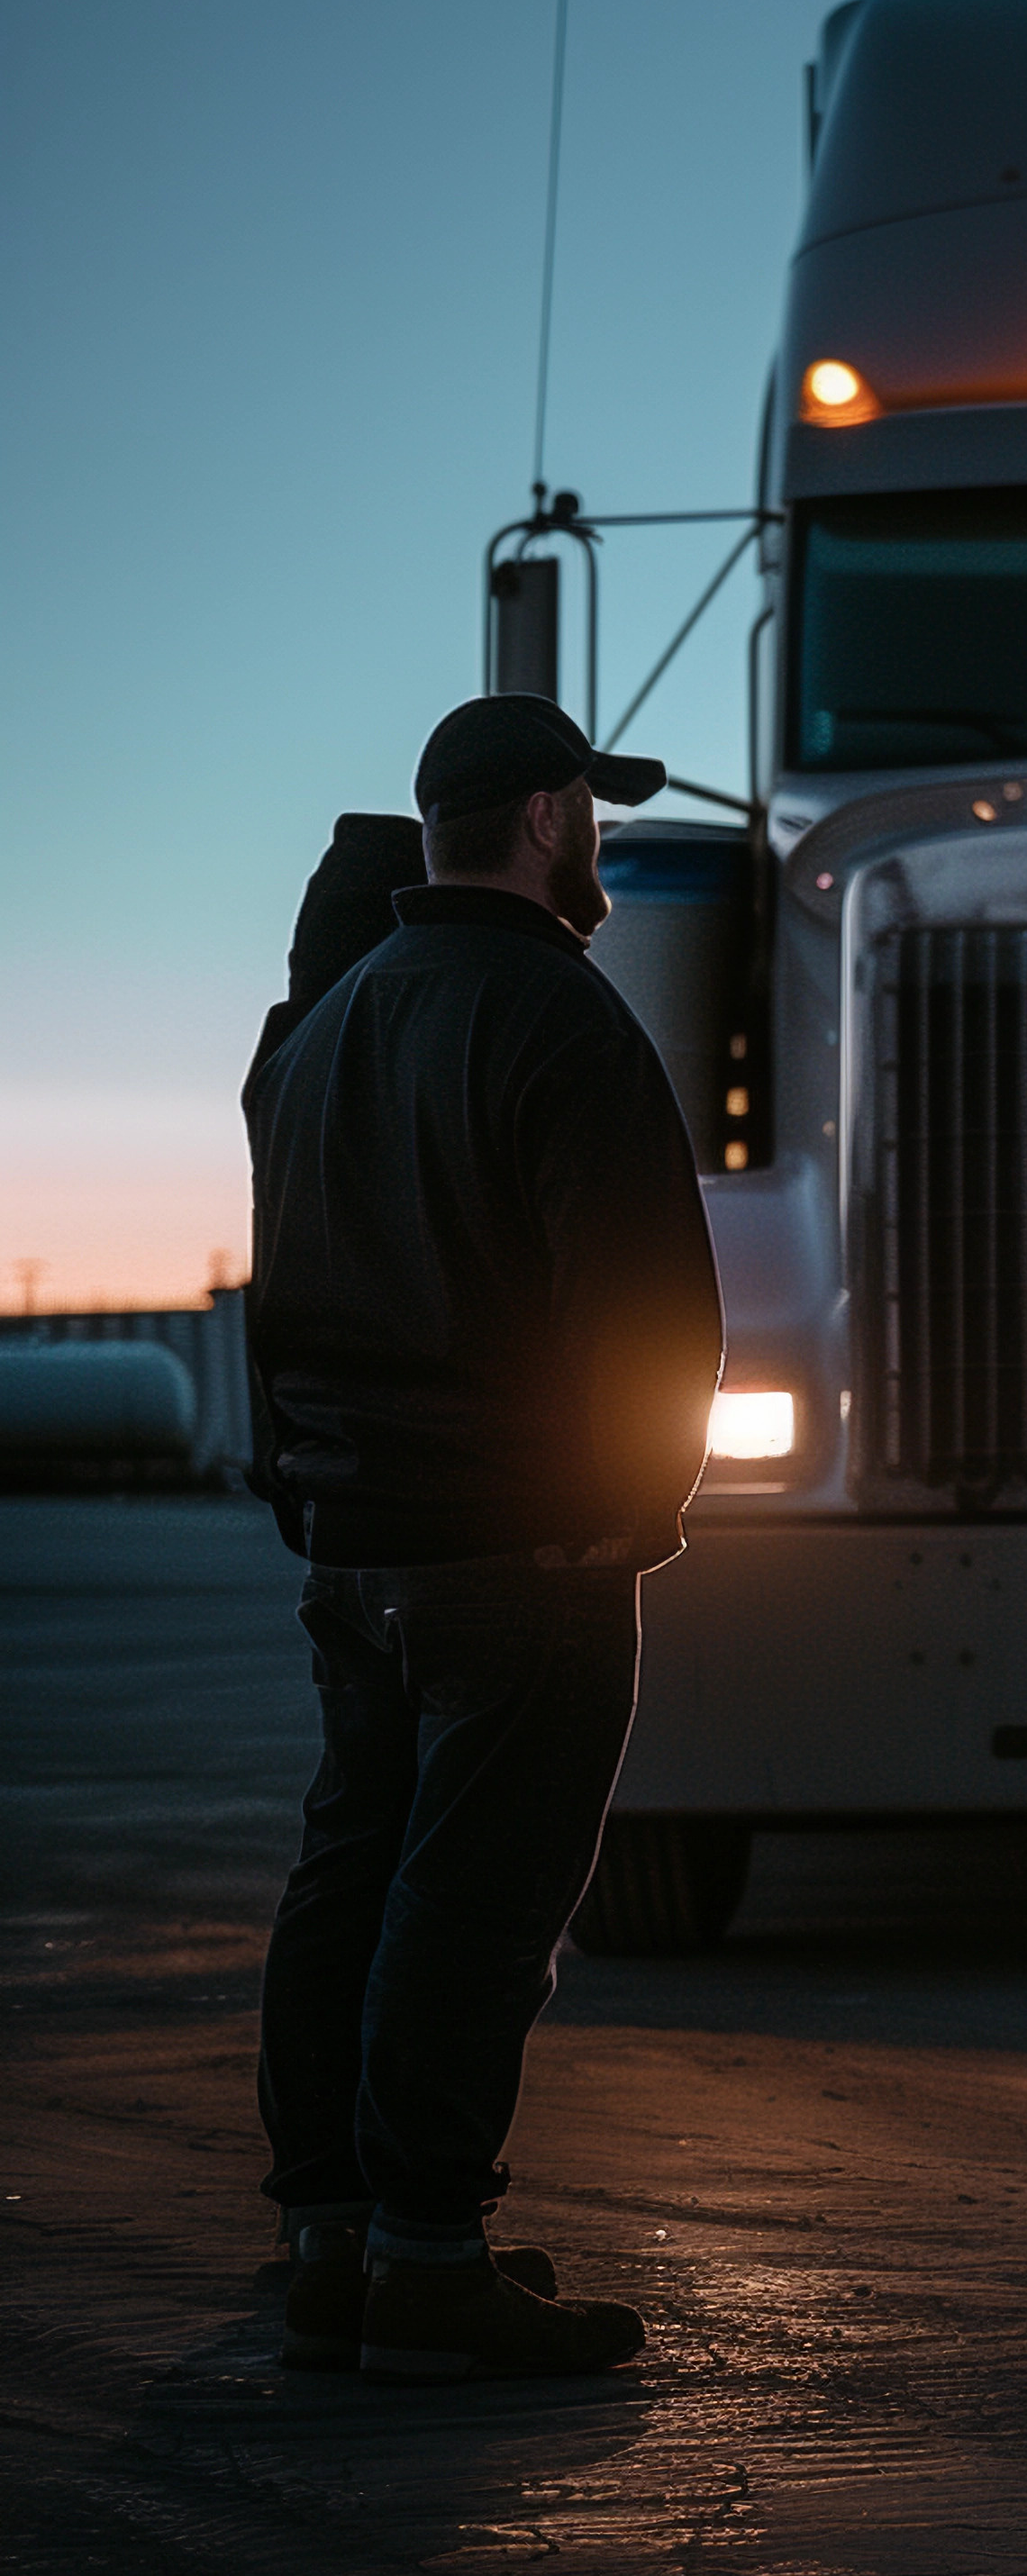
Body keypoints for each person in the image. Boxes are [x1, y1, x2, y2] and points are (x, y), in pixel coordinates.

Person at [246, 697, 722, 2382]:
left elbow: (277, 1293)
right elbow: (652, 1312)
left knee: (353, 1870)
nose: (598, 841)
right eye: (591, 810)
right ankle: (432, 2261)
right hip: (520, 1553)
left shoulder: (322, 1029)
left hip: (356, 1542)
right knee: (476, 1901)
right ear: (542, 818)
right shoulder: (558, 1019)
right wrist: (633, 1515)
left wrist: (304, 1486)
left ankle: (337, 2233)